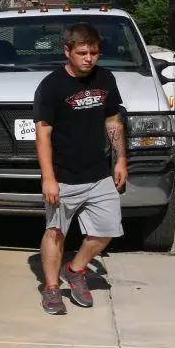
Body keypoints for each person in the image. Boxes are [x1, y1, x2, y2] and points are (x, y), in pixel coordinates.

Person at [33, 22, 126, 315]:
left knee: (108, 230)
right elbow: (43, 132)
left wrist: (121, 159)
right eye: (83, 52)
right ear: (68, 51)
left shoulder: (106, 78)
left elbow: (113, 121)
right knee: (56, 232)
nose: (89, 58)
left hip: (99, 173)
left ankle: (75, 269)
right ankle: (50, 289)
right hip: (64, 176)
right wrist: (48, 178)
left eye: (94, 53)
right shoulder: (51, 86)